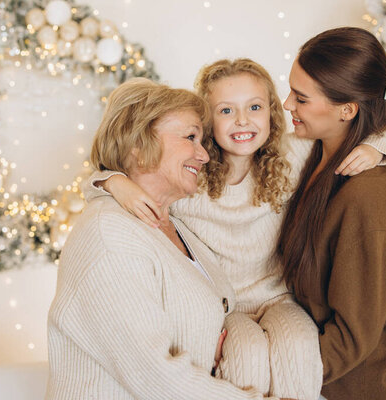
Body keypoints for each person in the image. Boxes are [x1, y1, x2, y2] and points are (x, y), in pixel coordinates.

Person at [84, 58, 386, 399]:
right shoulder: (191, 174)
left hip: (279, 298)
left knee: (301, 351)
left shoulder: (291, 156)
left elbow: (352, 125)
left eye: (255, 107)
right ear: (206, 120)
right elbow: (112, 168)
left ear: (272, 113)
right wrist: (112, 181)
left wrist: (375, 148)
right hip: (227, 307)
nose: (242, 121)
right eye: (226, 111)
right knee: (246, 360)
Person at [46, 78, 285, 400]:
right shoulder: (110, 236)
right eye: (190, 138)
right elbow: (155, 377)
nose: (203, 155)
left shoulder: (175, 224)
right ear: (139, 147)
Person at [278, 27, 386, 400]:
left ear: (346, 110)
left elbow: (353, 336)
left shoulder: (367, 199)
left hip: (349, 389)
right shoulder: (316, 152)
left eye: (301, 98)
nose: (287, 104)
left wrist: (276, 375)